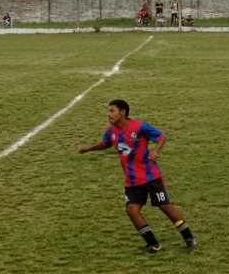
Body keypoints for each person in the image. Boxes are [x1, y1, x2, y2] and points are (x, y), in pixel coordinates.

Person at [78, 100, 197, 252]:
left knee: (165, 206)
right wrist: (88, 148)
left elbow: (161, 136)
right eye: (108, 111)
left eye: (112, 111)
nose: (109, 114)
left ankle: (189, 237)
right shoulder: (111, 130)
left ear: (122, 112)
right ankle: (153, 244)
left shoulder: (140, 126)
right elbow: (106, 143)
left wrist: (156, 150)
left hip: (150, 177)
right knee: (132, 210)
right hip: (132, 180)